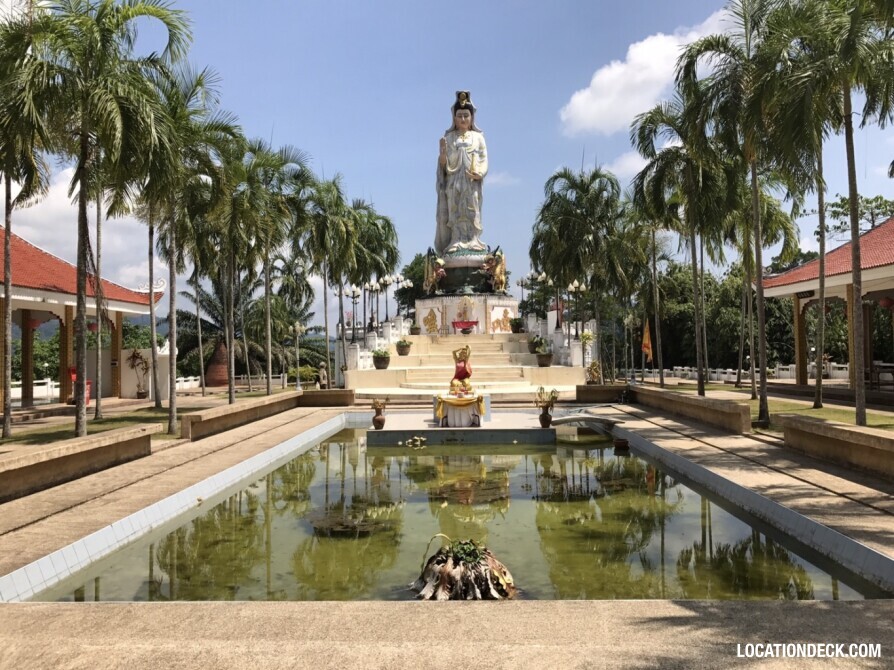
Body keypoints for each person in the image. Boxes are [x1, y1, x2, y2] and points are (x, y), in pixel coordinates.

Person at [435, 91, 488, 256]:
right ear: (454, 118)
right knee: (455, 210)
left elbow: (483, 158)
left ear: (472, 117)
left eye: (466, 115)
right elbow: (443, 166)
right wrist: (442, 155)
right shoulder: (449, 137)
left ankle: (473, 239)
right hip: (454, 181)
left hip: (471, 183)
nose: (463, 119)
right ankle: (456, 239)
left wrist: (479, 173)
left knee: (472, 209)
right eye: (460, 116)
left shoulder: (478, 137)